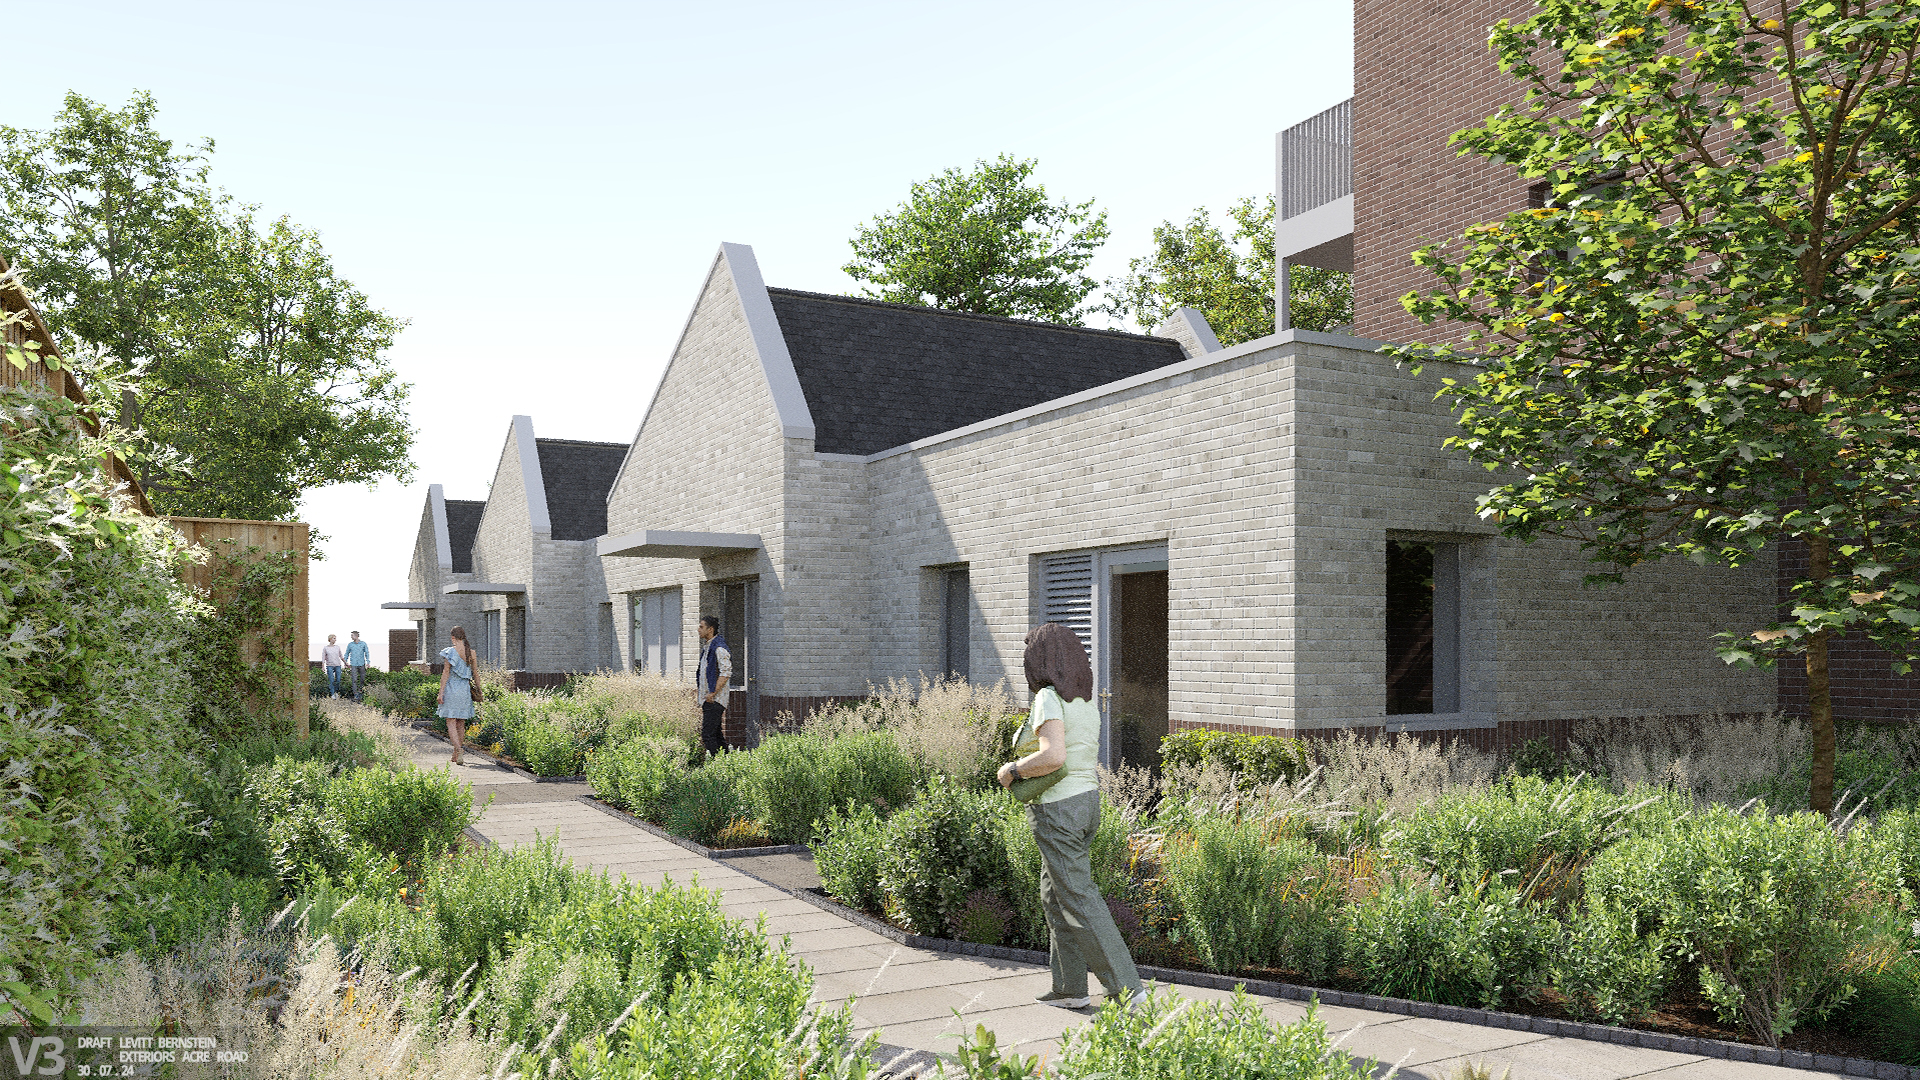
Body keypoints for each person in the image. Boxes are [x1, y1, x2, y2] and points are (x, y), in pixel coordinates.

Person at [998, 622, 1146, 1010]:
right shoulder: (1083, 699)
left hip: (1057, 808)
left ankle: (1126, 989)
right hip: (1086, 802)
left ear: (1039, 659)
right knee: (1055, 894)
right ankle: (1070, 988)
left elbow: (1054, 756)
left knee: (1078, 895)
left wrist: (1012, 771)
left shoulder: (1048, 696)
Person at [437, 626, 479, 766]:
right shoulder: (471, 653)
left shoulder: (450, 652)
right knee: (461, 722)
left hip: (452, 689)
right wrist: (479, 690)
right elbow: (476, 674)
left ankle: (459, 750)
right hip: (465, 690)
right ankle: (456, 754)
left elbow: (446, 673)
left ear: (453, 638)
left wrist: (441, 692)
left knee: (451, 721)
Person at [695, 615, 731, 756]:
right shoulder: (708, 648)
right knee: (716, 734)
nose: (698, 629)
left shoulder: (719, 648)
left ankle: (718, 766)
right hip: (708, 699)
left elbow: (726, 673)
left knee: (707, 735)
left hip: (714, 700)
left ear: (710, 629)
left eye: (701, 627)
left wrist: (713, 693)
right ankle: (728, 764)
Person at [344, 631, 371, 702]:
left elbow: (367, 653)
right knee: (354, 679)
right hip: (353, 665)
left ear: (356, 636)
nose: (351, 637)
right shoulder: (350, 644)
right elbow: (346, 653)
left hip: (362, 664)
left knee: (362, 679)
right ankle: (355, 694)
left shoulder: (363, 644)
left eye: (352, 635)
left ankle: (360, 691)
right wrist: (345, 662)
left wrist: (368, 662)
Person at [320, 634, 345, 698]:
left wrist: (345, 663)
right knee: (331, 680)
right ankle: (332, 694)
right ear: (330, 639)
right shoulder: (325, 648)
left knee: (338, 680)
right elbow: (323, 658)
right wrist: (323, 666)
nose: (335, 640)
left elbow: (341, 656)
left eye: (335, 638)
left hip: (338, 665)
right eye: (334, 638)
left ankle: (336, 692)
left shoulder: (337, 647)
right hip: (329, 666)